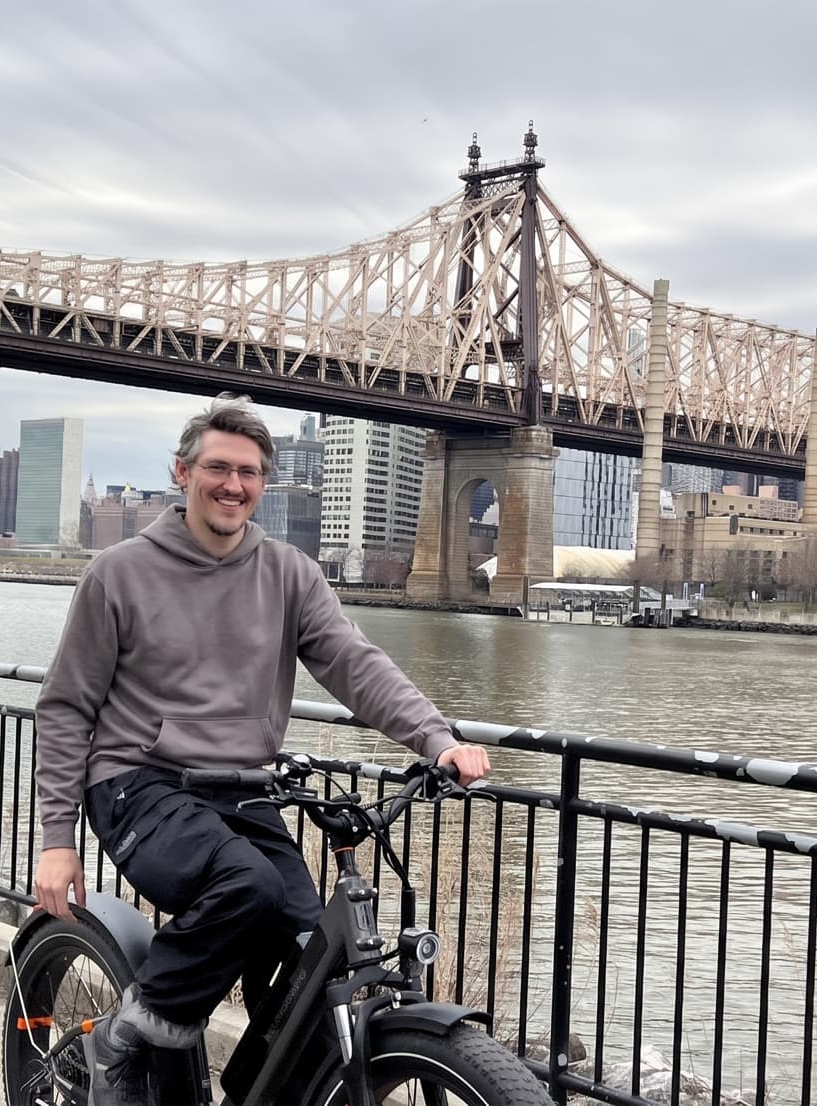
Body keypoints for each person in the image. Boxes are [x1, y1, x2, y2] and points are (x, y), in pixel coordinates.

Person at [33, 393, 491, 1106]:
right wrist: (56, 839)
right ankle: (118, 1039)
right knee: (246, 886)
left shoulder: (290, 573)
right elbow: (66, 707)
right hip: (136, 783)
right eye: (217, 467)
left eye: (248, 472)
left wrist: (436, 738)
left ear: (264, 486)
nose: (232, 484)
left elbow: (353, 663)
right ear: (182, 473)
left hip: (242, 790)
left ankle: (257, 1091)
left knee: (316, 956)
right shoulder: (118, 573)